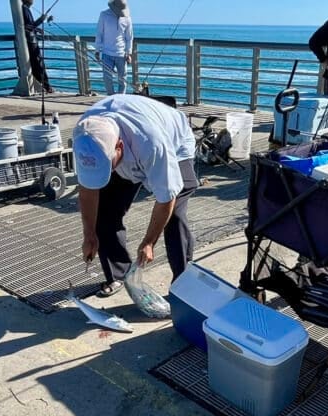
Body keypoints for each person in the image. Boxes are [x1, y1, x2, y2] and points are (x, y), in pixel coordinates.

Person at [72, 94, 197, 297]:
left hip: (176, 142)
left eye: (106, 168)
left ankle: (182, 285)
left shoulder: (152, 143)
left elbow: (167, 198)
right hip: (124, 150)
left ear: (119, 147)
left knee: (174, 216)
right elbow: (87, 190)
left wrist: (149, 241)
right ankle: (120, 275)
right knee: (103, 215)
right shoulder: (84, 135)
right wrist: (89, 234)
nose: (106, 175)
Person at [95, 0, 134, 95]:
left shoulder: (127, 18)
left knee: (123, 79)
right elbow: (99, 33)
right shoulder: (104, 15)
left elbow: (129, 37)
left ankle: (121, 99)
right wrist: (97, 50)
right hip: (107, 52)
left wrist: (129, 53)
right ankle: (111, 97)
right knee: (107, 78)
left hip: (121, 54)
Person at [21, 0, 54, 94]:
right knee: (38, 65)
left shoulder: (25, 9)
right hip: (31, 42)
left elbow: (29, 26)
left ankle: (44, 86)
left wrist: (37, 29)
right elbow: (28, 27)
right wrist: (41, 19)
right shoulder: (24, 9)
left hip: (31, 40)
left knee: (38, 64)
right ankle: (46, 87)